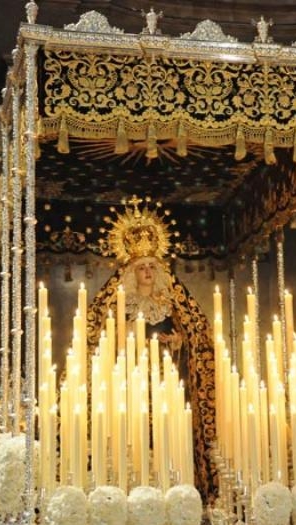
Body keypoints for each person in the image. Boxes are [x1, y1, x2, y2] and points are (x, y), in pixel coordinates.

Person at [86, 198, 217, 502]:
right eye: (141, 267)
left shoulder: (170, 304)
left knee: (165, 435)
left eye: (150, 267)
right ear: (131, 271)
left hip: (164, 382)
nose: (146, 272)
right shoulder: (121, 304)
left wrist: (177, 344)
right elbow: (105, 342)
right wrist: (132, 339)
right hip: (130, 382)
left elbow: (192, 337)